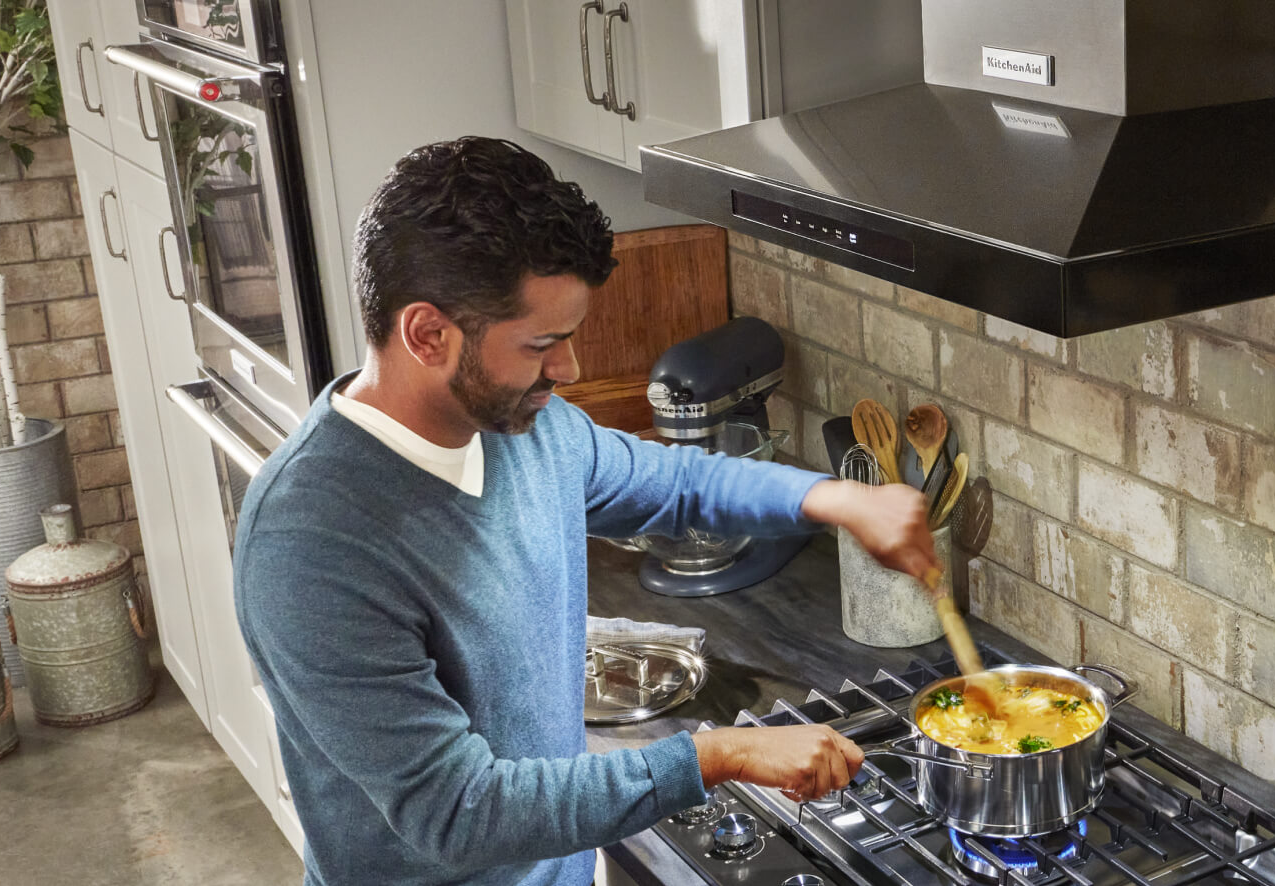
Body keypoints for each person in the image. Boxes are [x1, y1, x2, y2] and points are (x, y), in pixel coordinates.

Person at [232, 136, 938, 885]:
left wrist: (836, 498)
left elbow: (673, 484)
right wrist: (719, 755)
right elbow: (458, 812)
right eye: (543, 343)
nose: (568, 370)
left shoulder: (521, 429)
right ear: (428, 335)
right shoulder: (311, 546)